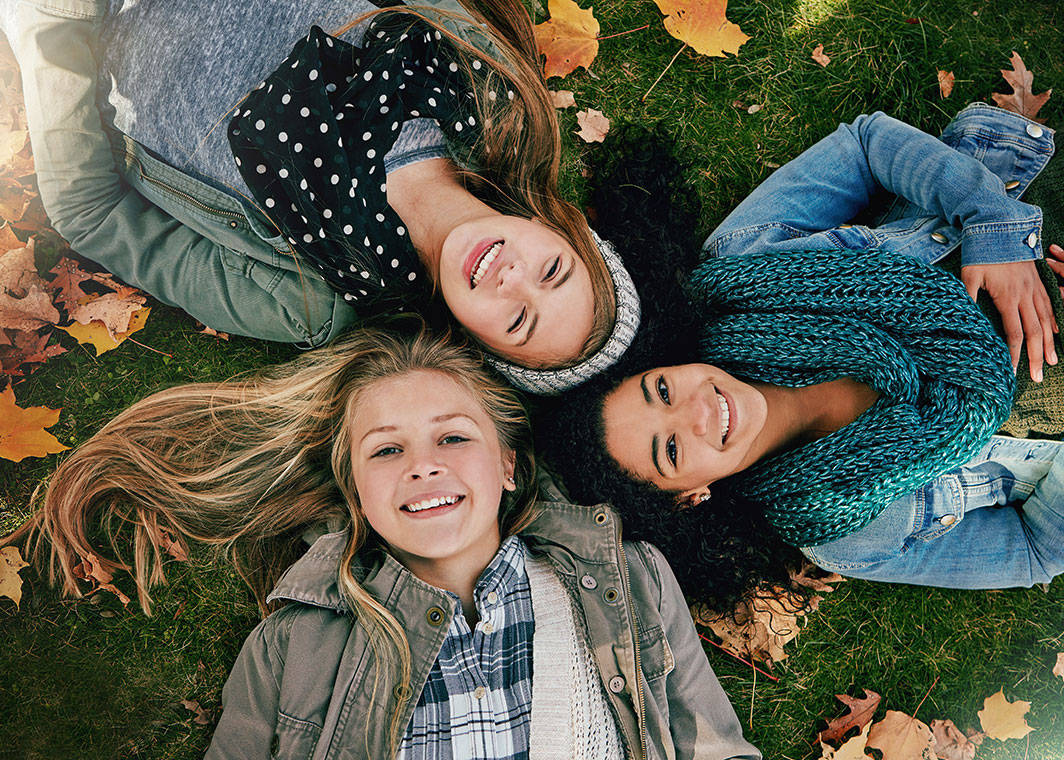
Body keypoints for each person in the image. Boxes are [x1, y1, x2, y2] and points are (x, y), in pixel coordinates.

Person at [8, 320, 761, 759]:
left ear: (508, 465)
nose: (423, 464)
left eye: (453, 437)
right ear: (358, 498)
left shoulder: (631, 580)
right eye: (387, 450)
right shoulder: (292, 647)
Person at [1, 0, 641, 393]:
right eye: (552, 271)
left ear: (478, 346)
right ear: (559, 228)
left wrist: (54, 21)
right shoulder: (484, 96)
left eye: (519, 321)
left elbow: (91, 211)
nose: (512, 279)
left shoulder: (310, 298)